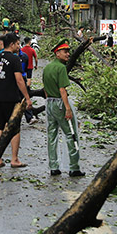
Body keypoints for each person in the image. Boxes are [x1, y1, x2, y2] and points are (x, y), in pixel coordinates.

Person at [0, 33, 32, 167]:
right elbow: (19, 80)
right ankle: (14, 159)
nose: (19, 46)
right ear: (12, 44)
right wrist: (27, 97)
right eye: (18, 44)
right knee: (14, 128)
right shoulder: (14, 60)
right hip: (11, 98)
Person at [43, 41, 84, 177]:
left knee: (52, 135)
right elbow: (62, 90)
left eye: (68, 51)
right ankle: (74, 167)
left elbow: (46, 91)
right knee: (71, 134)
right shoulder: (61, 68)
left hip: (49, 103)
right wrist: (67, 108)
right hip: (60, 103)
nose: (68, 54)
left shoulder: (47, 68)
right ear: (57, 53)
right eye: (65, 51)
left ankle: (53, 166)